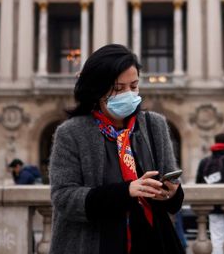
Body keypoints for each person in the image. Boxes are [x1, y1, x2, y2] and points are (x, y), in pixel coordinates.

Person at [49, 44, 185, 254]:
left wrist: (172, 192)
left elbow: (172, 200)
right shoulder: (71, 133)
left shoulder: (154, 125)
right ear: (97, 89)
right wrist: (126, 191)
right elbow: (64, 198)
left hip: (151, 242)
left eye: (134, 85)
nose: (128, 94)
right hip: (96, 244)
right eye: (118, 88)